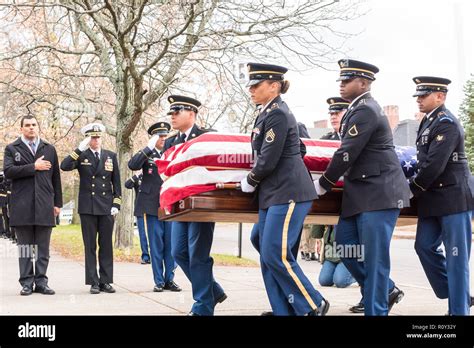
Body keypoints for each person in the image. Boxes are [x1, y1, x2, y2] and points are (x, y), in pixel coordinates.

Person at [314, 59, 409, 316]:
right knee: (345, 247)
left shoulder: (366, 109)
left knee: (375, 259)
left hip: (378, 194)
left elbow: (347, 153)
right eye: (341, 81)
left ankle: (376, 310)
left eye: (347, 81)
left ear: (364, 83)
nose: (342, 85)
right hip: (359, 196)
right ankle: (386, 290)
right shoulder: (357, 109)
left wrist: (323, 183)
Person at [241, 62, 329, 316]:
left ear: (274, 86)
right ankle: (284, 309)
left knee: (275, 254)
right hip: (273, 193)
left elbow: (268, 158)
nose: (251, 90)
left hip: (288, 192)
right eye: (251, 85)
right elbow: (297, 148)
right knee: (262, 243)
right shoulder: (266, 113)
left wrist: (252, 178)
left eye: (256, 85)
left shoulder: (278, 113)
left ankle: (313, 304)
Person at [410, 76, 474, 315]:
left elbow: (435, 164)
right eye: (418, 95)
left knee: (457, 259)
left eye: (424, 95)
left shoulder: (446, 122)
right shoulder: (428, 122)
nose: (419, 99)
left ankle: (459, 311)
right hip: (432, 199)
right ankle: (460, 295)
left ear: (440, 96)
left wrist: (410, 188)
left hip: (453, 198)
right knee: (424, 247)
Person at [162, 95, 226, 315]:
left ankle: (203, 306)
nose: (172, 117)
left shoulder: (208, 137)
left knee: (197, 254)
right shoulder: (170, 142)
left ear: (192, 113)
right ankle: (213, 290)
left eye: (176, 112)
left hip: (202, 204)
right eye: (171, 113)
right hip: (181, 205)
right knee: (178, 252)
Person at [3, 115, 63, 296]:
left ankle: (42, 282)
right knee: (25, 248)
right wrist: (33, 167)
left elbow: (56, 178)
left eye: (34, 125)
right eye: (27, 125)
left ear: (39, 127)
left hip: (45, 204)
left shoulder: (49, 149)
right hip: (22, 205)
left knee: (43, 248)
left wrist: (57, 203)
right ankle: (27, 283)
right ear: (21, 128)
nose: (31, 128)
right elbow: (8, 172)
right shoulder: (12, 149)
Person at [60, 123, 121, 294]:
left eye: (98, 137)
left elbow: (116, 182)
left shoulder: (111, 156)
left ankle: (106, 281)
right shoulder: (82, 156)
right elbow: (64, 166)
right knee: (90, 246)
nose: (96, 140)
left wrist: (116, 204)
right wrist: (78, 149)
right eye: (93, 137)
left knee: (106, 245)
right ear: (88, 139)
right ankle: (93, 281)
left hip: (107, 208)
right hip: (88, 207)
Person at [128, 121, 180, 293]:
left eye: (165, 136)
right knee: (156, 244)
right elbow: (133, 165)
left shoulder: (171, 152)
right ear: (153, 138)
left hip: (170, 204)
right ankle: (158, 280)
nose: (163, 139)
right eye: (160, 136)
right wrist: (148, 147)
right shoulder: (147, 154)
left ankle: (169, 280)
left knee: (170, 245)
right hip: (152, 205)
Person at [124, 173, 150, 264]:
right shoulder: (138, 177)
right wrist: (136, 175)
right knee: (142, 234)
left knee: (153, 234)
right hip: (140, 209)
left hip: (151, 209)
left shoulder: (151, 175)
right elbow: (127, 185)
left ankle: (154, 255)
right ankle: (145, 256)